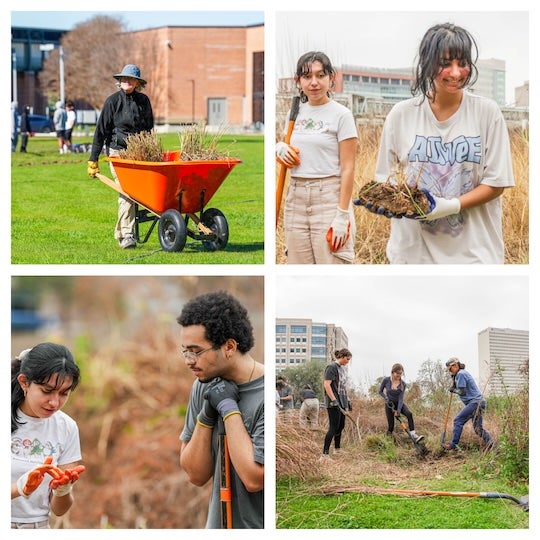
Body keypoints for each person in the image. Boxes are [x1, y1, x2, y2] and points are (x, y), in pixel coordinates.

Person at [363, 23, 514, 264]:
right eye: (445, 64)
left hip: (473, 256)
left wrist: (451, 205)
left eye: (462, 63)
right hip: (412, 256)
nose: (455, 73)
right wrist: (382, 199)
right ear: (427, 64)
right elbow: (385, 179)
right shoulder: (401, 115)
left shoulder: (487, 113)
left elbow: (496, 182)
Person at [178, 291, 264, 529]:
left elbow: (254, 478)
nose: (188, 360)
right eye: (185, 351)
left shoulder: (267, 393)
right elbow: (196, 475)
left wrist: (228, 408)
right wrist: (206, 415)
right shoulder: (203, 385)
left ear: (229, 347)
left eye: (196, 351)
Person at [277, 51, 358, 264]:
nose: (314, 82)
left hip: (328, 198)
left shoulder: (342, 115)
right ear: (298, 81)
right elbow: (290, 150)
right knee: (298, 267)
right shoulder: (294, 113)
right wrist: (281, 149)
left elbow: (348, 168)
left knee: (331, 265)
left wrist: (342, 216)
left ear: (331, 78)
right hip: (296, 198)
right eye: (307, 76)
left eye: (320, 76)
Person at [11, 343, 85, 529]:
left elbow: (59, 510)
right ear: (24, 382)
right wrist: (19, 488)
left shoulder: (67, 428)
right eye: (47, 391)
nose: (54, 402)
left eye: (64, 393)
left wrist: (62, 490)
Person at [87, 64, 154, 249]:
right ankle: (127, 235)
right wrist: (93, 159)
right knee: (127, 191)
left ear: (137, 83)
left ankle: (121, 232)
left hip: (139, 154)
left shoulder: (144, 101)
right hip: (117, 153)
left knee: (135, 194)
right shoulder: (112, 102)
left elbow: (149, 129)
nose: (126, 81)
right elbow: (100, 131)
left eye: (131, 79)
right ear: (120, 81)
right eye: (124, 79)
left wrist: (151, 153)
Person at [443, 357, 495, 450]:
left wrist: (453, 390)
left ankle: (453, 444)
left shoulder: (461, 374)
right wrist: (454, 380)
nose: (450, 371)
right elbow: (461, 388)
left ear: (455, 365)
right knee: (478, 429)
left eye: (450, 369)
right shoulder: (460, 374)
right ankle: (492, 444)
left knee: (458, 420)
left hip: (475, 402)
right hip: (480, 402)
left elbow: (462, 392)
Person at [378, 363, 423, 443]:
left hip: (399, 403)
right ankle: (386, 441)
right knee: (391, 426)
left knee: (409, 414)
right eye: (397, 373)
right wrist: (386, 398)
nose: (399, 375)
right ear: (393, 372)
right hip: (389, 405)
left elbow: (401, 398)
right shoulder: (386, 380)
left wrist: (398, 411)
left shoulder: (403, 384)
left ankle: (413, 434)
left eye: (401, 373)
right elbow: (380, 391)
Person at [322, 348, 352, 458]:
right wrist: (334, 400)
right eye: (347, 359)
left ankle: (337, 449)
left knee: (341, 426)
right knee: (333, 427)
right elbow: (326, 384)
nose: (347, 362)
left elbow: (343, 386)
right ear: (342, 357)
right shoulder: (332, 367)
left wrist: (348, 400)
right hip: (333, 402)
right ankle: (324, 454)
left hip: (342, 401)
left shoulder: (342, 369)